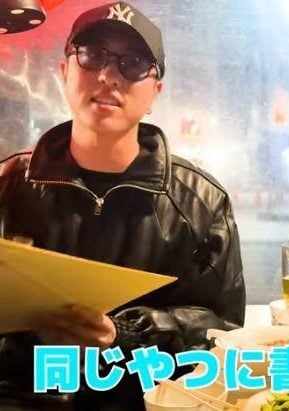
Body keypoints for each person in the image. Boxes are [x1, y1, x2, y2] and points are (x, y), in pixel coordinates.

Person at [0, 2, 245, 409]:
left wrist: (124, 335)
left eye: (132, 64)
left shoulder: (200, 202)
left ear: (155, 92)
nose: (108, 76)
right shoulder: (9, 185)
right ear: (64, 71)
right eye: (91, 55)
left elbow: (223, 330)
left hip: (144, 400)